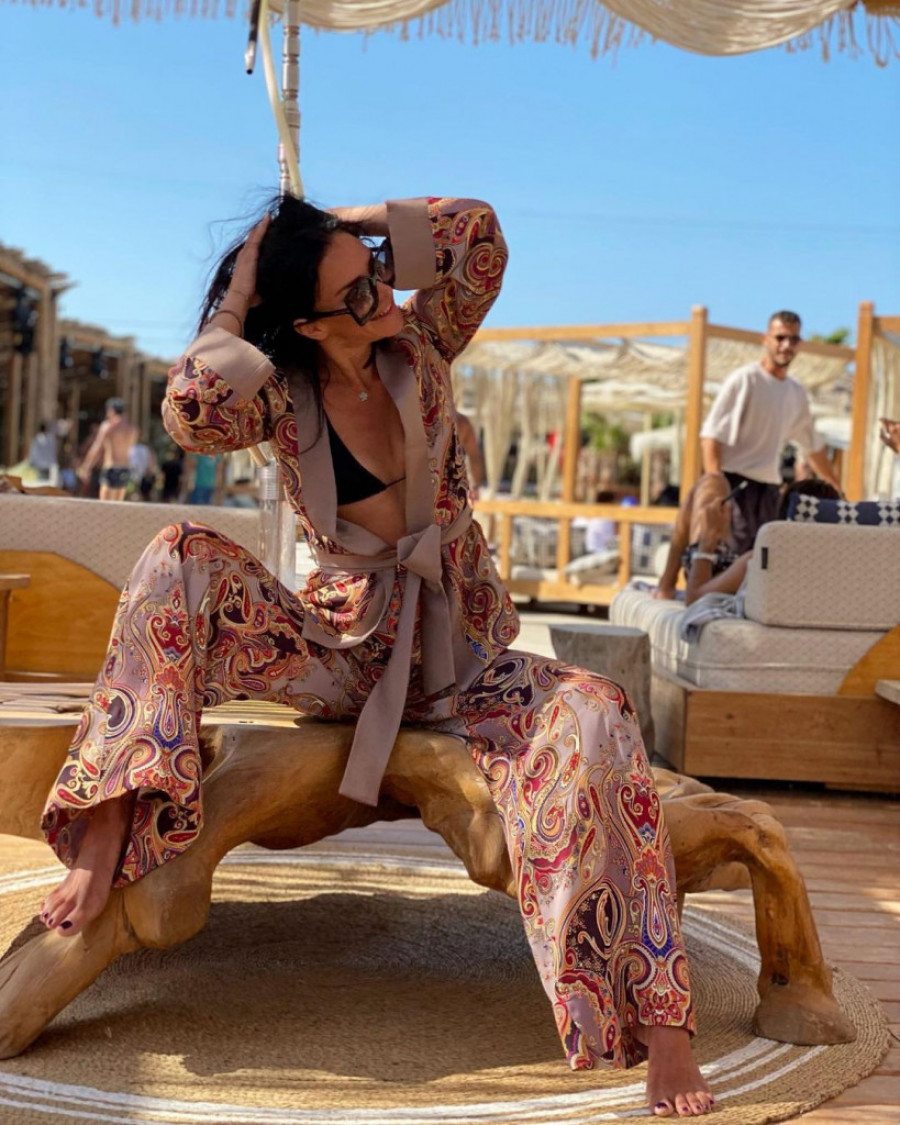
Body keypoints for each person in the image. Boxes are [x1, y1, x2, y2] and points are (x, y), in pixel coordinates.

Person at [38, 195, 712, 1117]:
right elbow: (190, 408)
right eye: (356, 294)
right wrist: (242, 287)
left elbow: (479, 236)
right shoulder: (279, 393)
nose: (383, 294)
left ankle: (661, 1022)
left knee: (598, 707)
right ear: (309, 326)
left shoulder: (423, 342)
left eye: (377, 273)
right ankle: (109, 818)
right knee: (176, 556)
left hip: (464, 656)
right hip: (339, 649)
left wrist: (345, 220)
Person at [699, 311, 841, 554]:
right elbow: (711, 436)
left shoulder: (796, 392)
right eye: (780, 337)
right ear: (765, 339)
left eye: (793, 339)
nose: (786, 345)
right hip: (735, 486)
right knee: (731, 559)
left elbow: (812, 447)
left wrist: (835, 486)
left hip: (770, 491)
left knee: (764, 559)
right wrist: (716, 487)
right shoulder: (745, 380)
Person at [681, 478, 841, 605]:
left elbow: (694, 600)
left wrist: (707, 541)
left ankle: (668, 585)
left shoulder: (764, 560)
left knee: (709, 485)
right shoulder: (841, 571)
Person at [78, 397, 138, 501]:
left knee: (105, 505)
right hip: (125, 468)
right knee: (118, 504)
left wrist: (87, 466)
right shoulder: (132, 430)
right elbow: (131, 449)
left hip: (111, 468)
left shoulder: (107, 427)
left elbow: (97, 448)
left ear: (111, 410)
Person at [453, 409, 485, 501]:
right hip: (451, 484)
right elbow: (474, 457)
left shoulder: (422, 418)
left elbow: (473, 457)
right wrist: (475, 487)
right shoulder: (462, 422)